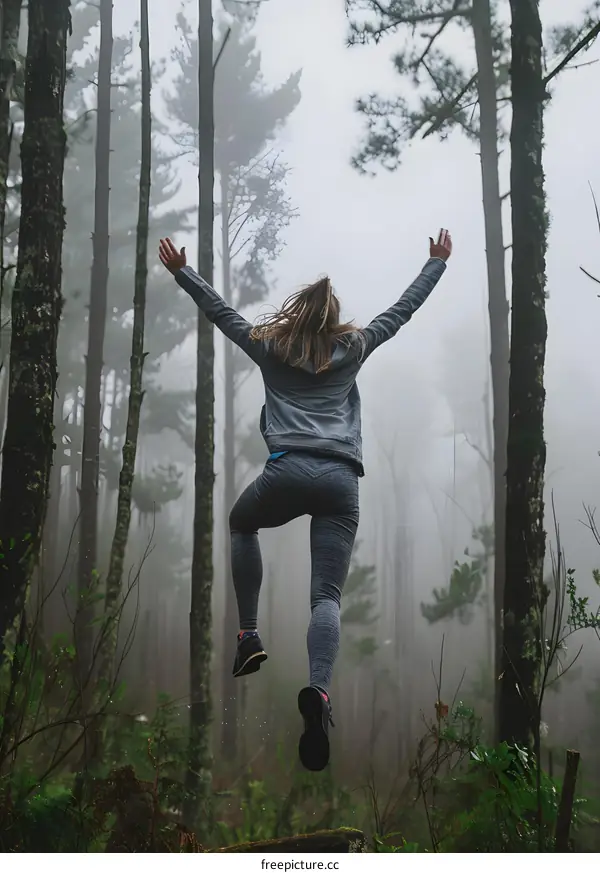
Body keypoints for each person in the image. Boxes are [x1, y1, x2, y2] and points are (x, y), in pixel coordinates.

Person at [158, 230, 452, 771]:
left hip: (287, 470)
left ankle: (249, 634)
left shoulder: (270, 348)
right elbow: (401, 311)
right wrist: (435, 264)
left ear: (295, 317)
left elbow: (220, 313)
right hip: (341, 481)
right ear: (333, 319)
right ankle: (318, 690)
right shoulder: (354, 347)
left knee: (242, 523)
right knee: (326, 597)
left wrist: (182, 272)